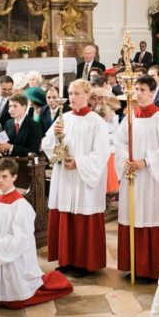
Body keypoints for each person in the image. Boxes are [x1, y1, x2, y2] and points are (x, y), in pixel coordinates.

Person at [0, 158, 74, 308]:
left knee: (16, 301)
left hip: (13, 259)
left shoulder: (21, 206)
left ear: (14, 177)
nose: (0, 181)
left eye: (4, 177)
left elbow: (20, 240)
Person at [42, 79, 110, 277]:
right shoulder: (64, 119)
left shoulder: (97, 122)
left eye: (77, 93)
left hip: (83, 178)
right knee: (66, 216)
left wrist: (79, 163)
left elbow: (101, 154)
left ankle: (83, 262)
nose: (72, 97)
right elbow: (47, 144)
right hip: (64, 177)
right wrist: (55, 135)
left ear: (87, 96)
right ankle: (66, 259)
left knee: (82, 218)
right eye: (70, 93)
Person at [114, 75, 159, 283]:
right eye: (137, 89)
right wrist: (126, 159)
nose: (139, 93)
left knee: (150, 216)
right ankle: (133, 265)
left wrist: (145, 161)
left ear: (152, 92)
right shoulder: (129, 116)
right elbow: (120, 142)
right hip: (132, 176)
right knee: (133, 216)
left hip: (150, 180)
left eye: (142, 90)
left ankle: (153, 268)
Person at [0, 92, 43, 157]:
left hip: (25, 165)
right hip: (9, 162)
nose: (11, 109)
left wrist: (10, 147)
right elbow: (6, 147)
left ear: (24, 107)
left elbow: (33, 152)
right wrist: (2, 148)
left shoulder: (35, 126)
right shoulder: (8, 123)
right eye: (10, 106)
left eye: (15, 106)